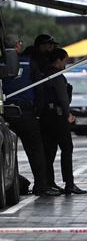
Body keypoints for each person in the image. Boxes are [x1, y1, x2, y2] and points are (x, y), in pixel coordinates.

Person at [1, 35, 60, 196]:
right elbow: (39, 89)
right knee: (36, 151)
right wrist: (38, 113)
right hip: (25, 113)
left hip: (4, 113)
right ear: (18, 46)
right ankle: (41, 186)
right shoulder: (29, 63)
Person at [40, 48, 87, 195]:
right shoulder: (57, 76)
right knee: (67, 148)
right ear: (58, 60)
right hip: (58, 116)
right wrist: (68, 114)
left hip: (45, 117)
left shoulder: (44, 73)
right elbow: (62, 98)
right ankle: (69, 183)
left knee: (49, 151)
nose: (66, 64)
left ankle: (49, 182)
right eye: (65, 61)